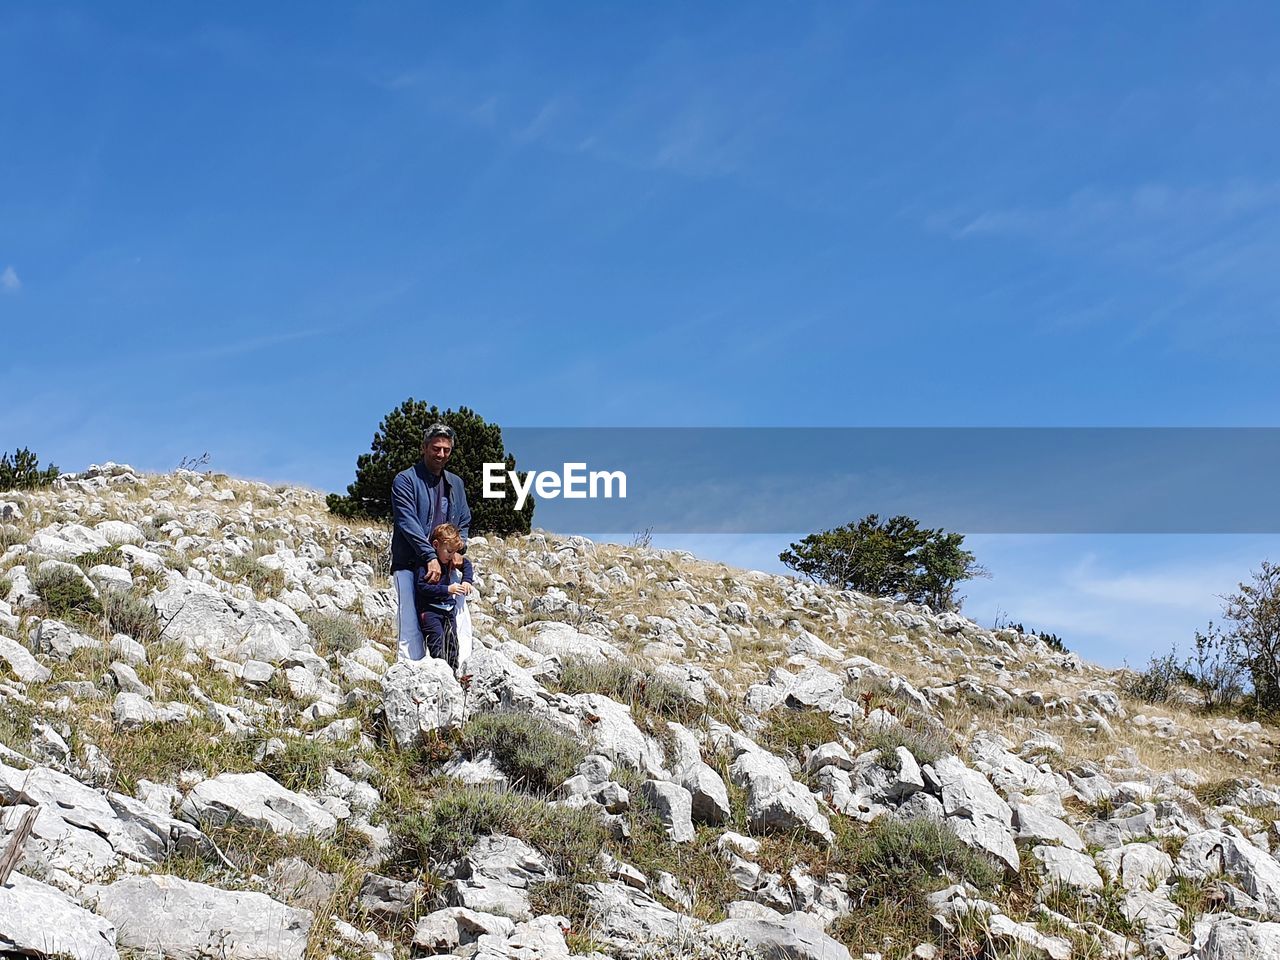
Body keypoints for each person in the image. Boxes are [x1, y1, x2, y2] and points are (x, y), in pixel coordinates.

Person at [391, 422, 471, 660]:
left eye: (446, 449)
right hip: (410, 563)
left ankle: (460, 676)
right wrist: (429, 556)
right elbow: (407, 522)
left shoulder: (455, 483)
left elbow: (464, 519)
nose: (441, 454)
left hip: (446, 563)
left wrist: (460, 548)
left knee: (458, 618)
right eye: (436, 448)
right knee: (410, 624)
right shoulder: (405, 480)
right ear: (424, 448)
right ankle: (410, 676)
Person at [415, 523, 474, 668]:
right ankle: (440, 674)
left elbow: (466, 564)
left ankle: (453, 675)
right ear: (436, 545)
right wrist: (447, 590)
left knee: (452, 644)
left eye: (454, 552)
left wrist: (466, 581)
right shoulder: (425, 563)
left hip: (448, 611)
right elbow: (422, 587)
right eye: (449, 551)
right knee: (437, 644)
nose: (452, 556)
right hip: (431, 612)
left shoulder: (449, 559)